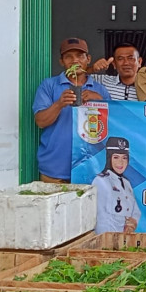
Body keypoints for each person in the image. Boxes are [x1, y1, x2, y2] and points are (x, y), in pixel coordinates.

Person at [33, 37, 110, 183]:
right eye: (69, 56)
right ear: (61, 61)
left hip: (92, 171)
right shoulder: (48, 85)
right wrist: (59, 104)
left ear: (88, 59)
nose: (75, 61)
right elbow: (40, 122)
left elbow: (114, 126)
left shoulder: (100, 90)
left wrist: (100, 101)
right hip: (54, 171)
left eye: (80, 56)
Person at [93, 136, 141, 234]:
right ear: (109, 158)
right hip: (107, 239)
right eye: (116, 157)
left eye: (124, 158)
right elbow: (100, 217)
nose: (120, 162)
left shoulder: (126, 183)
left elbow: (135, 211)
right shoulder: (101, 181)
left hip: (124, 240)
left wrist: (131, 225)